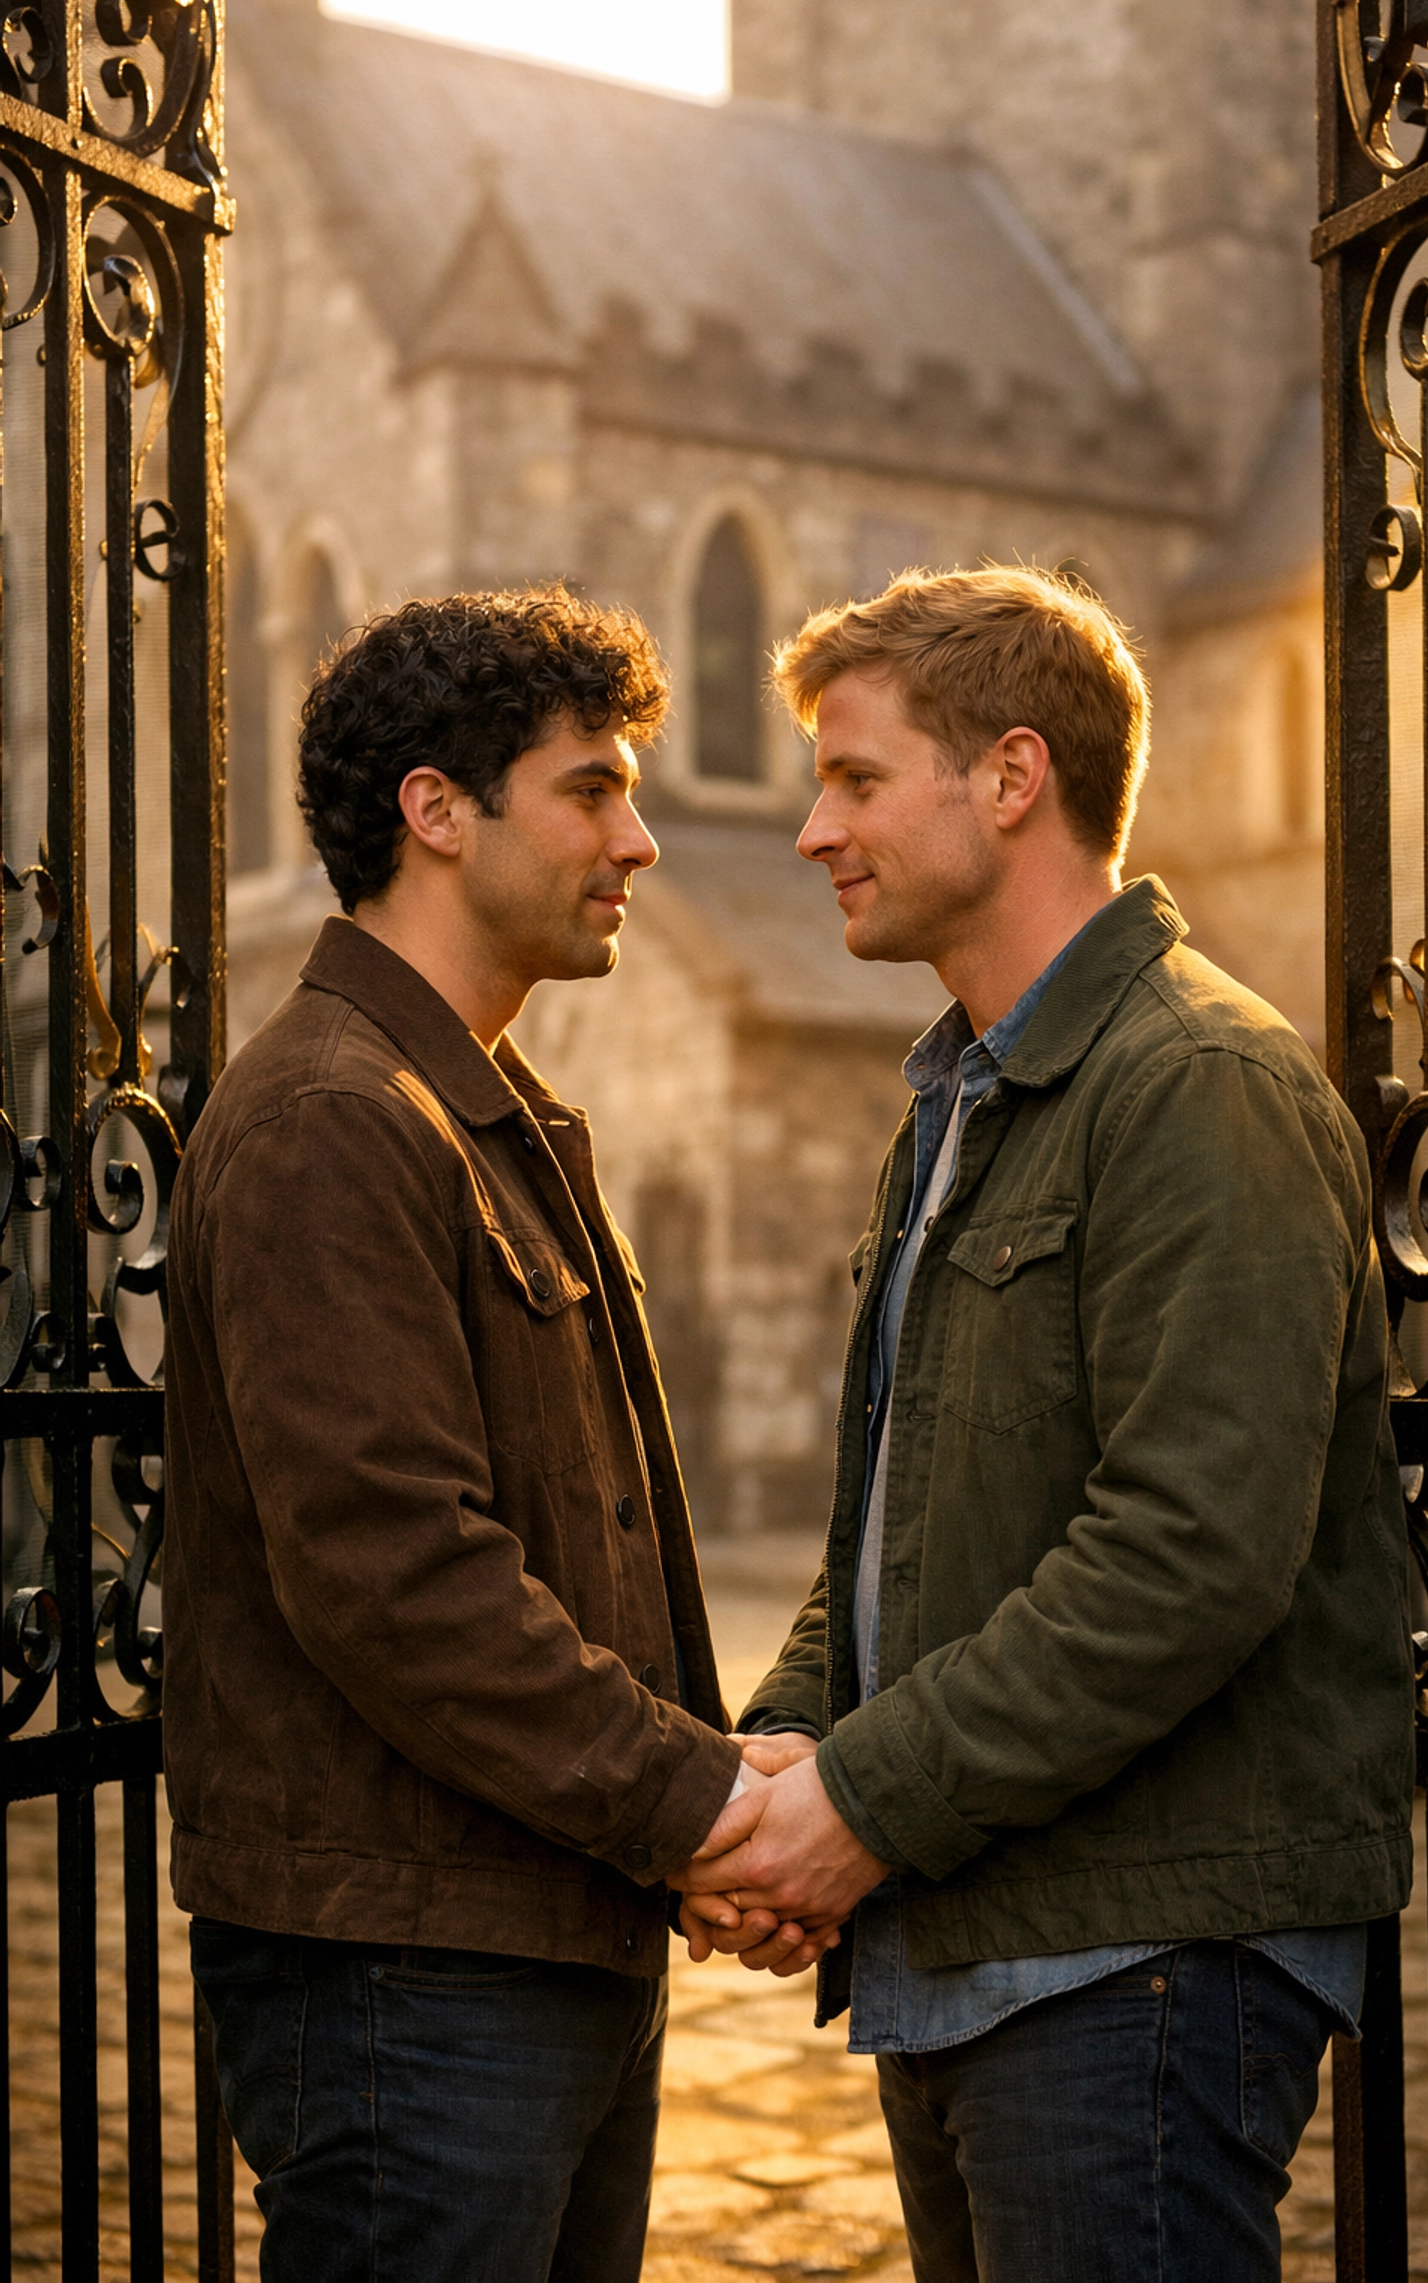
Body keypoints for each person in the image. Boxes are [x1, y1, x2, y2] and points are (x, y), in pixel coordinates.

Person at [673, 565, 1416, 2282]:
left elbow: (1188, 1558)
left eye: (854, 778)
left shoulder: (1198, 1083)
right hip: (968, 1937)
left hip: (1140, 1960)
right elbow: (893, 1507)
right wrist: (779, 1753)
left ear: (1012, 777)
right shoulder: (957, 1100)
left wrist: (857, 1800)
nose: (808, 831)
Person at [162, 588, 757, 2283]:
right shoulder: (334, 1120)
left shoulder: (469, 1111)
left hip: (532, 1943)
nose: (639, 839)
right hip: (409, 1990)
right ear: (436, 808)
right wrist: (700, 1807)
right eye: (591, 789)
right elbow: (398, 1576)